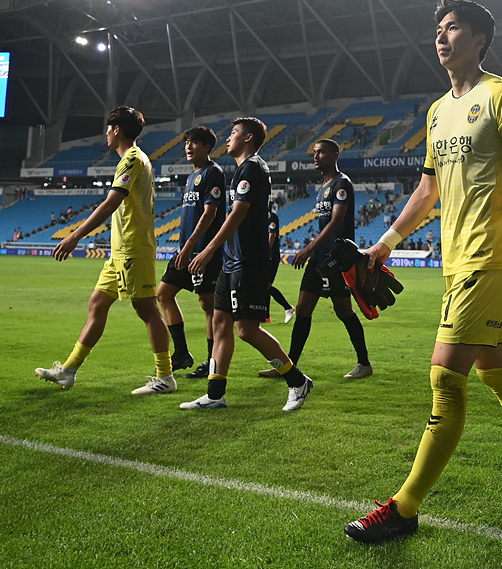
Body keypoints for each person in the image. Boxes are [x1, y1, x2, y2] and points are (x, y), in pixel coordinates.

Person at [344, 0, 502, 544]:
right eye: (438, 30)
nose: (442, 37)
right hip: (455, 260)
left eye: (453, 28)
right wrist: (387, 243)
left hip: (489, 258)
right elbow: (427, 190)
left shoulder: (501, 95)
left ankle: (404, 507)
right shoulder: (435, 111)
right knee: (496, 372)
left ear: (479, 40)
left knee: (445, 378)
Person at [36, 106, 174, 395]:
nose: (107, 135)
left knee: (147, 310)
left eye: (108, 129)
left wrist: (75, 235)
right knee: (97, 305)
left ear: (117, 130)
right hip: (120, 251)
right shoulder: (134, 158)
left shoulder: (132, 159)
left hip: (134, 248)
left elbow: (112, 202)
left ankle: (165, 377)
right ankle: (68, 371)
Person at [179, 117, 313, 411]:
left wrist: (209, 250)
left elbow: (238, 213)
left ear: (248, 138)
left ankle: (297, 381)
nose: (228, 138)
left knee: (247, 330)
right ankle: (215, 395)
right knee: (219, 323)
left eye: (234, 133)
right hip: (231, 261)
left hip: (248, 261)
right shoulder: (243, 169)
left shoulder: (252, 167)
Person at [280, 139, 372, 380]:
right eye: (314, 152)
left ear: (334, 155)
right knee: (303, 309)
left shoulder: (342, 183)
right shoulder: (323, 187)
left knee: (343, 310)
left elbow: (337, 223)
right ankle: (289, 367)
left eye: (321, 152)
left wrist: (308, 248)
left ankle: (364, 364)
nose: (316, 156)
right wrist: (313, 251)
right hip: (319, 258)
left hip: (336, 259)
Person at [155, 126, 225, 380]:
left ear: (207, 147)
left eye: (194, 142)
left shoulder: (213, 172)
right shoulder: (191, 176)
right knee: (164, 294)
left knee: (208, 305)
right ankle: (182, 352)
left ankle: (211, 362)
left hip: (204, 252)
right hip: (186, 250)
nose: (188, 146)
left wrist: (190, 246)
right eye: (186, 142)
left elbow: (210, 213)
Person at [266, 206, 295, 322]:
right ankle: (266, 317)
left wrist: (266, 252)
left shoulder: (271, 215)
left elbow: (272, 235)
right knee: (263, 286)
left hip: (271, 257)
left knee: (266, 286)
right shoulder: (260, 214)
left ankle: (288, 307)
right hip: (264, 257)